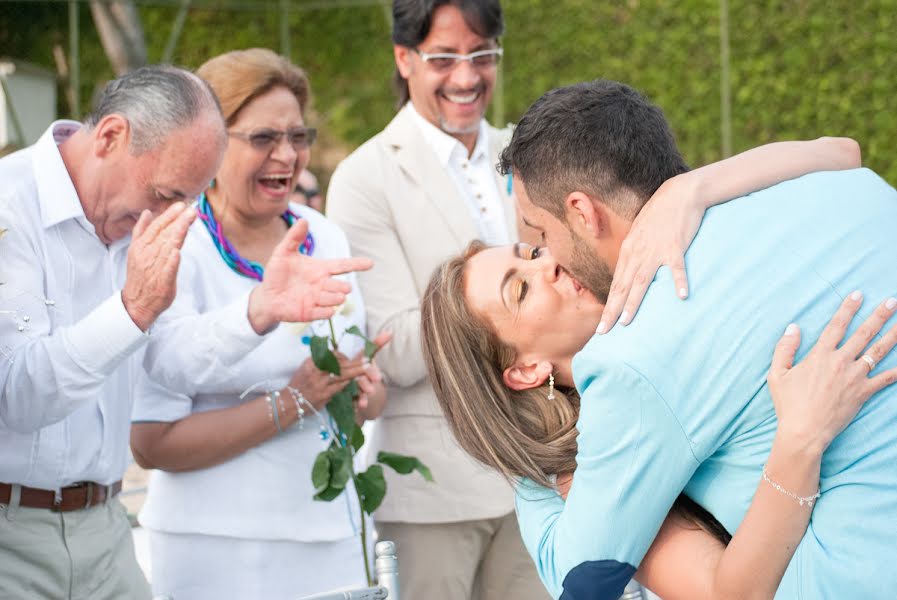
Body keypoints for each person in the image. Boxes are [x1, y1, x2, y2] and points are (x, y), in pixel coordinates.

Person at [491, 79, 896, 599]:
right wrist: (694, 186)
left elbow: (581, 581)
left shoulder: (631, 356)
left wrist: (512, 447)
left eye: (540, 234)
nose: (547, 257)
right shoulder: (843, 186)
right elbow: (843, 151)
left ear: (582, 212)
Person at [130, 49, 384, 600]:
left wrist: (365, 390)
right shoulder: (178, 245)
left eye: (298, 136)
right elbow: (151, 443)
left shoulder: (325, 235)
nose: (287, 155)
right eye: (264, 138)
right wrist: (292, 402)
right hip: (218, 549)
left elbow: (352, 395)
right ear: (211, 143)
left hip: (334, 540)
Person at [326, 1, 545, 598]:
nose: (467, 76)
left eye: (482, 54)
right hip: (433, 492)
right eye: (444, 57)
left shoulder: (526, 154)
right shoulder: (364, 178)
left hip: (543, 475)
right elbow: (394, 344)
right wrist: (523, 310)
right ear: (404, 59)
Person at [0, 66, 225, 600]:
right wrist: (130, 311)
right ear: (109, 136)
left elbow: (171, 357)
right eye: (167, 193)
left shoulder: (135, 212)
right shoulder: (9, 206)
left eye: (189, 200)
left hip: (107, 525)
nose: (174, 217)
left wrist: (261, 313)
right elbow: (19, 395)